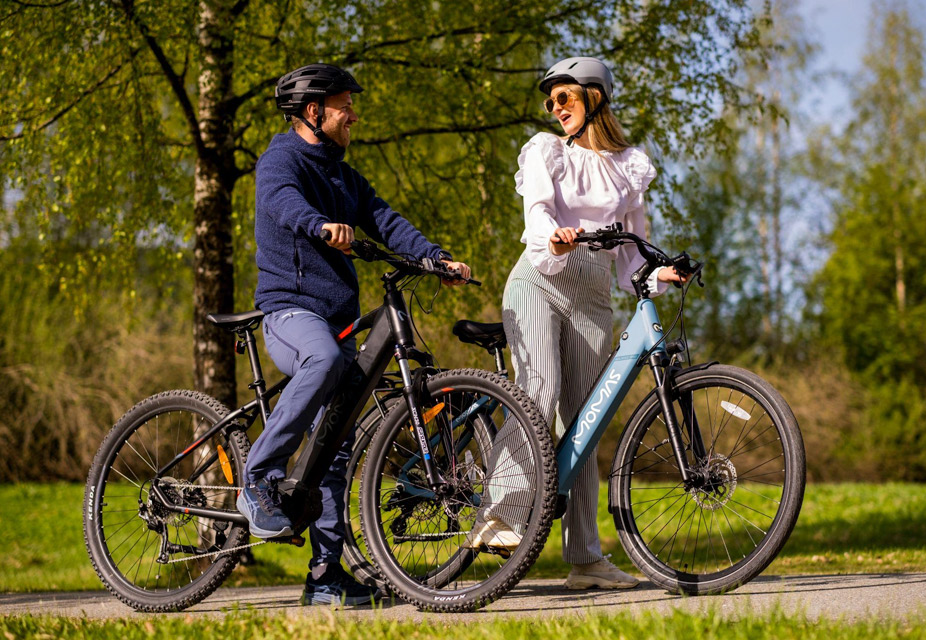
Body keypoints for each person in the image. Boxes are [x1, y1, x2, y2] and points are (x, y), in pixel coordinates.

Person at [239, 62, 471, 607]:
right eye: (345, 105)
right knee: (320, 359)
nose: (353, 114)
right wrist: (320, 225)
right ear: (314, 111)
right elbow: (282, 204)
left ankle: (324, 576)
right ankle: (260, 474)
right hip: (289, 311)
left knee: (335, 447)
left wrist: (434, 257)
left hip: (337, 317)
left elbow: (383, 217)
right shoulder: (280, 159)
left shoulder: (343, 173)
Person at [473, 57, 686, 590]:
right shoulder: (546, 152)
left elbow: (631, 257)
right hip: (540, 280)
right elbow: (538, 212)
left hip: (592, 296)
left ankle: (586, 558)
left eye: (564, 97)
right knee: (538, 395)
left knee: (586, 422)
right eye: (550, 101)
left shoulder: (629, 168)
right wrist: (556, 234)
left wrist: (661, 271)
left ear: (595, 97)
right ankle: (498, 514)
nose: (555, 108)